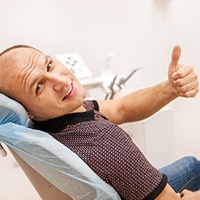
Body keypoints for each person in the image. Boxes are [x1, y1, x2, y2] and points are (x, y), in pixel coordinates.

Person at [0, 44, 199, 199]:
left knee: (191, 165)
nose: (61, 82)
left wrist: (171, 89)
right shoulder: (104, 141)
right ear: (26, 110)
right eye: (39, 86)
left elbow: (121, 108)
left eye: (49, 65)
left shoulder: (42, 125)